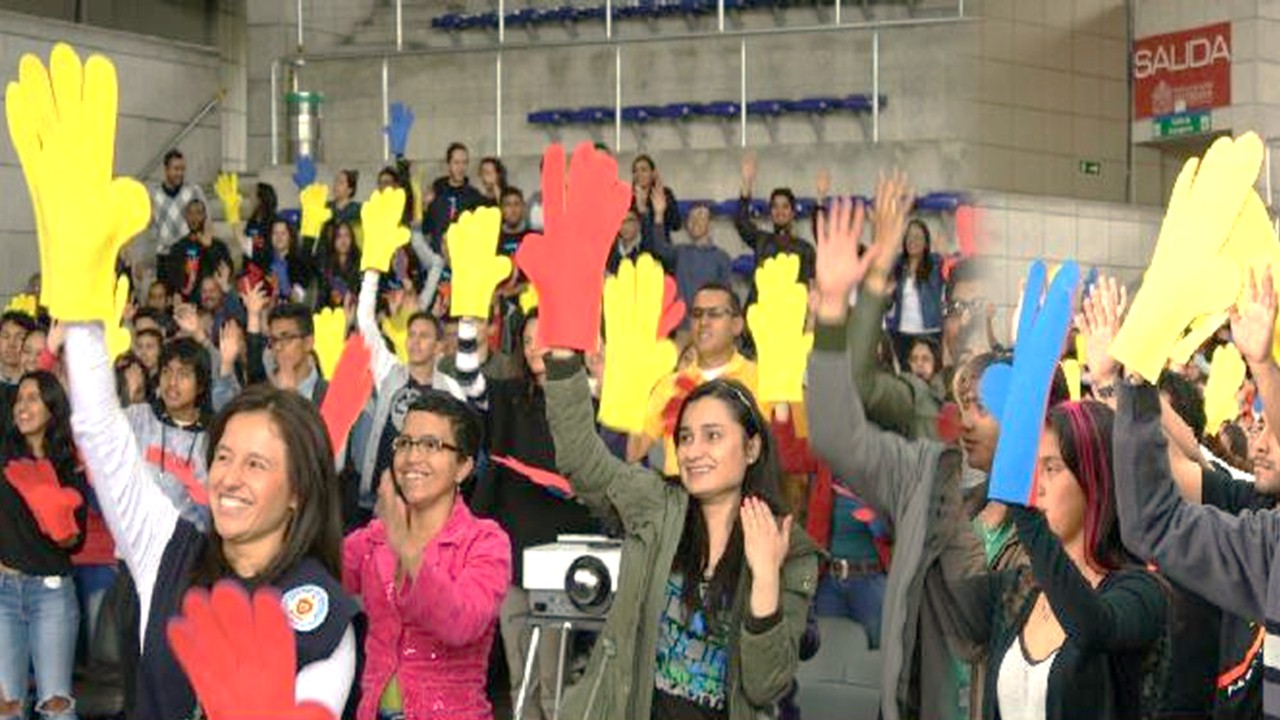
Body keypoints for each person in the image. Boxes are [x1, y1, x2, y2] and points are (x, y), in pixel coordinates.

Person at [64, 322, 359, 720]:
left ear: (298, 492)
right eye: (223, 456)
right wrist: (80, 314)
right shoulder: (166, 551)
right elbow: (100, 431)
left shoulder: (322, 613)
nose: (229, 479)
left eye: (255, 464)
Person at [541, 340, 819, 719]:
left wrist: (767, 576)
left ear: (752, 448)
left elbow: (764, 685)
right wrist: (563, 357)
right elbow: (581, 459)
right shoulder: (655, 505)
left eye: (713, 435)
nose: (692, 451)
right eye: (685, 437)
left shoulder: (792, 548)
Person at [931, 400, 1168, 720]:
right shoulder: (1018, 588)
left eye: (1051, 468)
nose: (1034, 487)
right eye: (1031, 470)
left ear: (1095, 479)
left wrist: (1023, 510)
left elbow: (1091, 627)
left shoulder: (1141, 592)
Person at [343, 392, 510, 720]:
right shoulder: (376, 536)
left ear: (463, 466)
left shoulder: (485, 542)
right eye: (404, 443)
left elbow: (461, 622)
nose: (411, 457)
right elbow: (324, 574)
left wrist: (406, 548)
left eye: (430, 445)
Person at [470, 313, 603, 720]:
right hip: (511, 552)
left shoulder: (587, 397)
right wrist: (468, 329)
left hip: (563, 555)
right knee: (519, 676)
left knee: (553, 679)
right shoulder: (509, 395)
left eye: (541, 338)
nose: (533, 348)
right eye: (526, 341)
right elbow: (468, 384)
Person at [0, 371, 88, 720]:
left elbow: (74, 542)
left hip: (51, 595)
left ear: (53, 408)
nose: (23, 406)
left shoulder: (69, 464)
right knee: (6, 708)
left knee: (56, 706)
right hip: (3, 593)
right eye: (19, 399)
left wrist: (54, 513)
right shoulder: (5, 451)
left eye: (33, 398)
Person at [351, 259, 465, 526]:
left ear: (439, 346)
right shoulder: (389, 372)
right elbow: (366, 322)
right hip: (384, 501)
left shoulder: (450, 389)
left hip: (431, 502)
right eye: (411, 335)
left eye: (424, 336)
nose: (415, 341)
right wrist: (372, 270)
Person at [630, 283, 757, 475]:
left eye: (714, 314)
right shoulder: (669, 386)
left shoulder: (760, 380)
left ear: (736, 324)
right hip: (678, 500)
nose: (703, 322)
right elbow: (633, 453)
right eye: (697, 314)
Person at [736, 153, 815, 285]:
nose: (780, 212)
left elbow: (810, 285)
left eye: (785, 207)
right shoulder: (761, 240)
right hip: (762, 303)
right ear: (771, 212)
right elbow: (741, 222)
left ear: (792, 213)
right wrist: (746, 182)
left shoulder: (805, 249)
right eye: (775, 207)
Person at [886, 219, 944, 368]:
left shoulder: (935, 264)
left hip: (929, 332)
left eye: (918, 237)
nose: (913, 241)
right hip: (902, 333)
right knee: (907, 379)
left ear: (926, 243)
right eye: (909, 237)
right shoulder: (898, 265)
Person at [148, 149, 207, 277]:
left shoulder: (193, 191)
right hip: (164, 256)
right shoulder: (153, 194)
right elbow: (149, 225)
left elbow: (206, 220)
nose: (180, 173)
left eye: (182, 169)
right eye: (176, 169)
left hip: (189, 255)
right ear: (166, 169)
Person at [165, 199, 233, 304]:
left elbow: (226, 272)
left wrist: (209, 247)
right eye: (190, 213)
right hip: (188, 304)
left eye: (198, 213)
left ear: (205, 216)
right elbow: (172, 280)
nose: (194, 217)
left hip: (215, 303)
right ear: (186, 217)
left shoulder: (218, 246)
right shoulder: (177, 248)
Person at [425, 143, 485, 252]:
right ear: (448, 164)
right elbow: (426, 229)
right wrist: (425, 206)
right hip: (439, 258)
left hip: (463, 258)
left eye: (464, 163)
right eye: (456, 163)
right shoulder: (436, 192)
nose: (461, 168)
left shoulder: (474, 196)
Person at [315, 220, 362, 310]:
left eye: (347, 236)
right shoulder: (326, 265)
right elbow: (321, 298)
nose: (343, 240)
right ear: (333, 240)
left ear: (352, 239)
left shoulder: (360, 263)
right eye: (339, 236)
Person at [632, 154, 682, 237]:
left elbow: (676, 225)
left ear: (653, 173)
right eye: (635, 171)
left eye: (643, 170)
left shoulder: (665, 194)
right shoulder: (628, 198)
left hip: (660, 243)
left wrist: (661, 210)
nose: (639, 174)